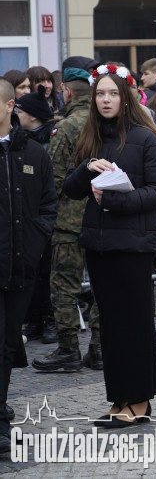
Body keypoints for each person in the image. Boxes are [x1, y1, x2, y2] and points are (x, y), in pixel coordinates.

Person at [63, 66, 156, 427]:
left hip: (134, 245)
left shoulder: (147, 138)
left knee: (134, 323)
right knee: (109, 325)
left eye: (112, 93)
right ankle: (119, 398)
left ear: (126, 98)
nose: (105, 100)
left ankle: (140, 400)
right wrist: (88, 167)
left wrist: (113, 200)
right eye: (100, 94)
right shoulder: (90, 138)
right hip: (99, 244)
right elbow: (71, 188)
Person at [32, 65, 102, 374]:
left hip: (70, 221)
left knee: (63, 285)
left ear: (67, 92)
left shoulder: (68, 126)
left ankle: (68, 349)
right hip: (105, 217)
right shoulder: (109, 122)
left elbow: (54, 178)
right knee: (103, 286)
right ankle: (100, 349)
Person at [0, 78, 58, 453]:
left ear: (9, 107)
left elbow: (48, 206)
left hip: (20, 267)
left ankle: (1, 417)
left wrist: (35, 243)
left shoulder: (33, 152)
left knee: (7, 345)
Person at [13, 87, 58, 343]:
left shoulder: (48, 143)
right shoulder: (20, 142)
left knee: (48, 274)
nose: (16, 114)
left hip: (46, 220)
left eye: (20, 110)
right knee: (32, 274)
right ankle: (34, 320)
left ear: (33, 116)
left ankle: (50, 321)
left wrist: (44, 222)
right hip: (26, 221)